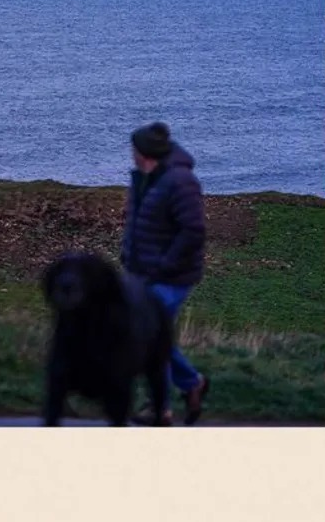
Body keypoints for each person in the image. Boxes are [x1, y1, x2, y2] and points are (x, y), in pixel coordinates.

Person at [120, 122, 211, 425]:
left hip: (171, 277)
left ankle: (161, 409)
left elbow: (193, 230)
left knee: (150, 337)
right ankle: (192, 384)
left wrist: (165, 265)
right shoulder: (144, 178)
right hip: (143, 273)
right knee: (153, 336)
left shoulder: (180, 181)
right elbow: (137, 223)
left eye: (134, 149)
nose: (131, 154)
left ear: (144, 152)